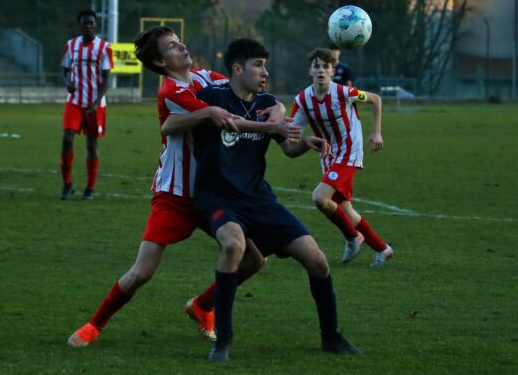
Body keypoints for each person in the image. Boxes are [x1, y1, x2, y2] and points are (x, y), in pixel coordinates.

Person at [67, 26, 296, 348]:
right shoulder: (170, 91)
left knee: (254, 260)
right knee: (141, 272)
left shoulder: (205, 78)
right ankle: (95, 324)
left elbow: (244, 86)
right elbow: (226, 117)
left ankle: (202, 306)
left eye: (179, 42)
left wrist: (278, 107)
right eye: (173, 47)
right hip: (175, 195)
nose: (183, 47)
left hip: (214, 192)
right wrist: (270, 124)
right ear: (161, 62)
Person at [191, 38, 361, 361]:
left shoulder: (267, 102)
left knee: (318, 261)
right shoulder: (212, 97)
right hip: (217, 197)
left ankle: (331, 337)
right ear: (237, 68)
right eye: (258, 65)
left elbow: (287, 148)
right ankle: (223, 340)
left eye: (266, 65)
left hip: (258, 198)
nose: (265, 72)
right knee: (233, 246)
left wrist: (306, 141)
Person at [291, 48, 394, 267]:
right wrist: (271, 126)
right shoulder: (302, 100)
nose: (321, 70)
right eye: (316, 66)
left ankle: (352, 238)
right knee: (345, 209)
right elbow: (292, 133)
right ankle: (382, 249)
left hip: (350, 151)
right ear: (310, 70)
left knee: (320, 198)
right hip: (329, 157)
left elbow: (375, 99)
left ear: (332, 70)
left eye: (325, 66)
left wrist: (376, 132)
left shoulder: (345, 92)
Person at [59, 9, 113, 200]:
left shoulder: (104, 47)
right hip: (74, 101)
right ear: (79, 25)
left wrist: (96, 102)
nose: (88, 26)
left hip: (95, 102)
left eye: (91, 22)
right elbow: (65, 70)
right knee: (67, 139)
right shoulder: (71, 45)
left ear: (95, 24)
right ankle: (67, 185)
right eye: (85, 23)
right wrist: (67, 83)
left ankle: (90, 188)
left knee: (91, 145)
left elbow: (107, 80)